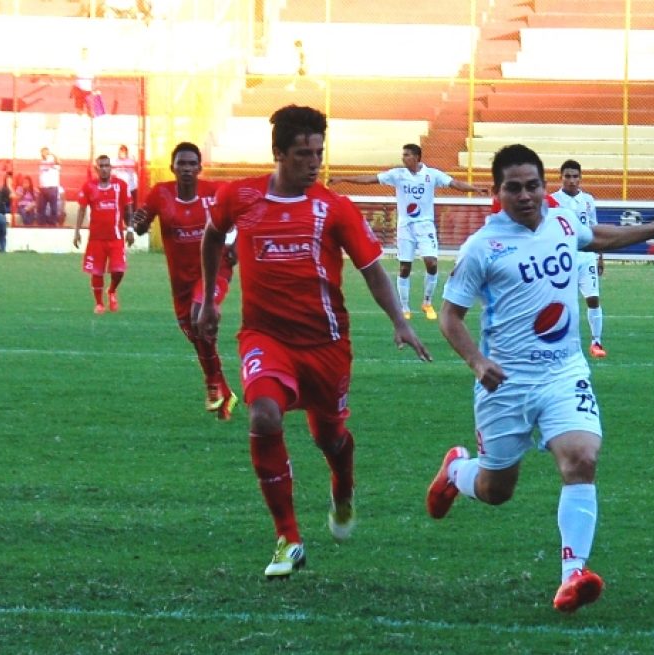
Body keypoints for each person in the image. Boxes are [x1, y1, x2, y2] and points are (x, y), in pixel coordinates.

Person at [425, 144, 654, 614]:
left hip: (564, 372)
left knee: (582, 458)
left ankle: (573, 575)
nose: (525, 196)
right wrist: (477, 363)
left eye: (532, 186)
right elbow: (450, 316)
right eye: (514, 188)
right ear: (496, 192)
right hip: (506, 383)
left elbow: (598, 237)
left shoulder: (563, 222)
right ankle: (457, 472)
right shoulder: (482, 247)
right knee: (496, 491)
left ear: (543, 186)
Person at [195, 105, 431, 579]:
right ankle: (288, 537)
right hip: (265, 337)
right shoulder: (239, 196)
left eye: (319, 153)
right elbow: (213, 236)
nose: (314, 163)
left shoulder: (334, 208)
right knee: (263, 414)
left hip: (326, 345)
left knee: (330, 437)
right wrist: (208, 299)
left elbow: (372, 270)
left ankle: (342, 487)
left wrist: (400, 321)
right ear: (279, 153)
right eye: (304, 154)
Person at [131, 141, 238, 420]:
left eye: (192, 164)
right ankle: (224, 391)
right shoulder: (161, 193)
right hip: (180, 280)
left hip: (214, 271)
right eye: (182, 164)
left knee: (199, 315)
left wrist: (236, 244)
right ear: (173, 168)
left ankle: (212, 385)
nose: (187, 168)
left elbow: (241, 215)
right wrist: (138, 224)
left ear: (200, 168)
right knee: (196, 335)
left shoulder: (215, 193)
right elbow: (141, 225)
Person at [329, 144, 486, 321]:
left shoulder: (431, 174)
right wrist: (343, 178)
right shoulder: (397, 174)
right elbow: (370, 179)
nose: (403, 158)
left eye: (407, 155)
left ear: (417, 157)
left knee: (432, 263)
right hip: (405, 227)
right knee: (404, 267)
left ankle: (427, 303)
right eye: (403, 155)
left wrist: (474, 189)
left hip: (425, 226)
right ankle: (404, 307)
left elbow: (454, 183)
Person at [550, 160, 606, 358]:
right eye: (568, 176)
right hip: (563, 257)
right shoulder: (553, 200)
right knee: (562, 301)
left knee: (593, 298)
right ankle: (561, 341)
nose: (572, 180)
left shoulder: (588, 200)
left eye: (575, 176)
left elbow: (594, 228)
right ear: (561, 177)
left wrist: (600, 256)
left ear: (580, 177)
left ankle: (596, 341)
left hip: (586, 256)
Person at [73, 154, 134, 314]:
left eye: (107, 166)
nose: (105, 169)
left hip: (116, 237)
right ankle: (99, 303)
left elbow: (128, 208)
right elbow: (81, 209)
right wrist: (77, 231)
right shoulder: (89, 187)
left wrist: (130, 229)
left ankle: (112, 290)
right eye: (102, 166)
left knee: (119, 270)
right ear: (96, 168)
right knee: (96, 272)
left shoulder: (120, 185)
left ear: (111, 167)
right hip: (96, 238)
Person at [38, 147, 62, 227]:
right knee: (41, 207)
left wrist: (51, 153)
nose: (43, 154)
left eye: (45, 152)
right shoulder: (41, 163)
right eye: (42, 152)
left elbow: (58, 161)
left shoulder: (55, 163)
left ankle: (53, 223)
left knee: (53, 208)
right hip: (43, 188)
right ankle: (42, 224)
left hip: (52, 188)